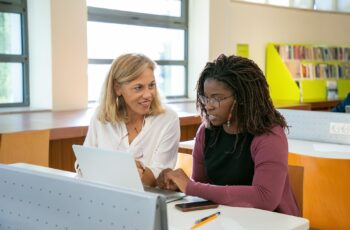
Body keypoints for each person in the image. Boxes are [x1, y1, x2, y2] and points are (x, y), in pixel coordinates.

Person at [157, 54, 300, 216]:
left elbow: (265, 198)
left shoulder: (269, 135)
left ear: (242, 98)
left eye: (217, 99)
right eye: (205, 97)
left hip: (272, 222)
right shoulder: (206, 132)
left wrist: (190, 187)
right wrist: (179, 185)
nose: (208, 106)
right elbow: (202, 187)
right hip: (225, 218)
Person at [83, 53, 180, 187]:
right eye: (138, 88)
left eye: (151, 85)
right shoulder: (101, 117)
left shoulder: (168, 119)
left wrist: (131, 172)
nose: (148, 95)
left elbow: (159, 176)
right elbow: (84, 164)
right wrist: (125, 169)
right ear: (118, 88)